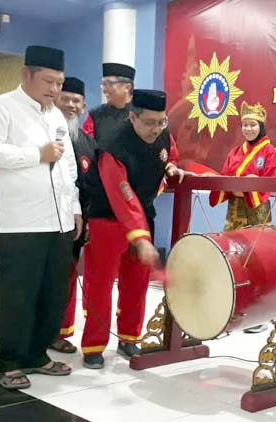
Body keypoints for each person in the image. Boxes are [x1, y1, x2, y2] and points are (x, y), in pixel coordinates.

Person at [0, 45, 81, 389]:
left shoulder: (56, 116)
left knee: (52, 294)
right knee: (17, 295)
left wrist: (74, 209)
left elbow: (68, 167)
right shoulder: (0, 108)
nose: (54, 90)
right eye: (48, 81)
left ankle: (36, 355)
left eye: (59, 83)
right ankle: (8, 360)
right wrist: (37, 154)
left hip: (58, 222)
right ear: (26, 75)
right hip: (18, 224)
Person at [79, 89, 187, 368]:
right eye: (150, 122)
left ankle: (129, 338)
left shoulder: (163, 133)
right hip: (107, 216)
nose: (156, 129)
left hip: (143, 214)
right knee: (101, 284)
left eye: (161, 121)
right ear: (132, 117)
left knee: (136, 282)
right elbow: (121, 194)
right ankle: (93, 345)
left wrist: (172, 168)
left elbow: (170, 155)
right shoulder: (113, 145)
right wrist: (140, 238)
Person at [209, 101, 276, 334]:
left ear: (261, 126)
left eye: (253, 124)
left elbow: (269, 181)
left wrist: (248, 186)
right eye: (245, 125)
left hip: (256, 209)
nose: (249, 129)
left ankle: (258, 312)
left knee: (255, 256)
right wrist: (234, 186)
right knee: (233, 254)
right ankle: (231, 304)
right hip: (235, 208)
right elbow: (225, 177)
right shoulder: (235, 152)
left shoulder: (269, 152)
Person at [49, 77, 96, 354]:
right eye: (65, 98)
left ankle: (59, 332)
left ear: (83, 106)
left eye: (75, 101)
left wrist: (89, 220)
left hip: (77, 225)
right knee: (45, 279)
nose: (69, 104)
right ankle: (38, 331)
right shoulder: (45, 134)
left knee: (66, 280)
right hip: (46, 222)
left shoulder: (90, 143)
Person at [82, 62, 135, 146]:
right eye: (103, 84)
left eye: (109, 84)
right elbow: (86, 147)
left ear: (127, 87)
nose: (104, 90)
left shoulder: (141, 114)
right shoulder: (95, 115)